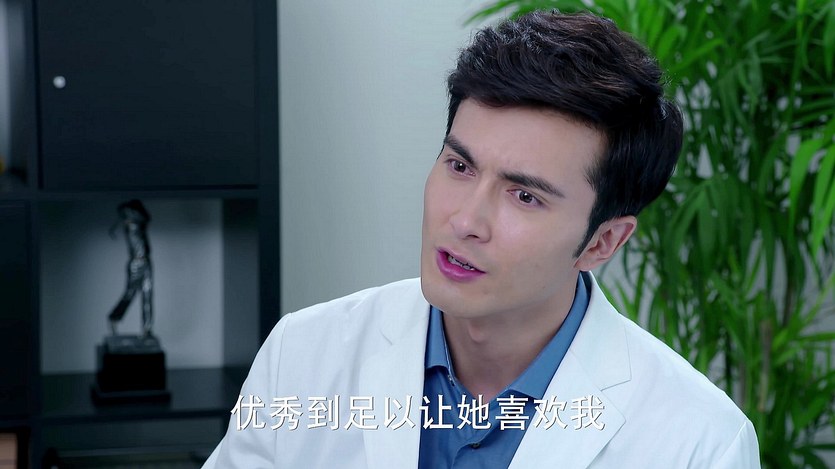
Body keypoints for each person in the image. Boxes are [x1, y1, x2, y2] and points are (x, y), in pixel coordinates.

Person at [203, 10, 760, 468]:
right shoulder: (303, 355)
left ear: (603, 241)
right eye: (460, 166)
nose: (466, 220)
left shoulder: (700, 442)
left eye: (525, 196)